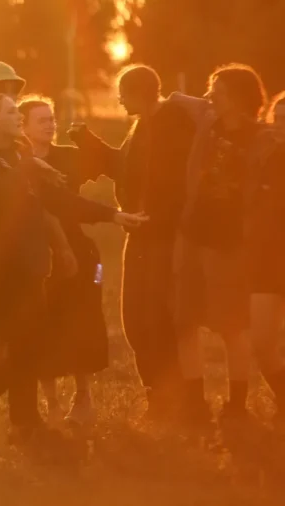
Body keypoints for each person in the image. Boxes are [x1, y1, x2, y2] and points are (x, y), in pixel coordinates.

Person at [0, 94, 146, 445]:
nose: (17, 117)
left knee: (27, 346)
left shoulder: (21, 158)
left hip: (30, 268)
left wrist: (111, 215)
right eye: (10, 112)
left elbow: (58, 201)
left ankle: (26, 423)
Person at [68, 64, 195, 419]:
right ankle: (157, 394)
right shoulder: (141, 126)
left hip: (162, 239)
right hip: (139, 234)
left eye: (124, 93)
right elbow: (127, 169)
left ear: (141, 92)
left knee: (156, 319)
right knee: (135, 319)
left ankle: (175, 399)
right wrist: (90, 143)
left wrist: (158, 219)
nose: (120, 100)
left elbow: (173, 182)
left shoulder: (170, 126)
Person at [168, 64, 266, 424]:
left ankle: (236, 405)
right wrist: (176, 97)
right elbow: (184, 100)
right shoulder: (209, 123)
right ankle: (195, 402)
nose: (211, 96)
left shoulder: (261, 138)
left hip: (230, 244)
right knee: (184, 320)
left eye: (219, 91)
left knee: (231, 327)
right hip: (194, 233)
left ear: (238, 98)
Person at [19, 96, 109, 426]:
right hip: (36, 251)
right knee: (44, 324)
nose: (50, 124)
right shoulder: (17, 163)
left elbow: (109, 165)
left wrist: (87, 140)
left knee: (82, 319)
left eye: (51, 118)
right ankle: (52, 401)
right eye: (41, 120)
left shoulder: (68, 157)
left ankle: (83, 396)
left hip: (77, 247)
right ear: (23, 127)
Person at [249, 91, 285, 421]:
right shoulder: (265, 158)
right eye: (277, 118)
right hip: (265, 263)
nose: (279, 126)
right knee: (261, 343)